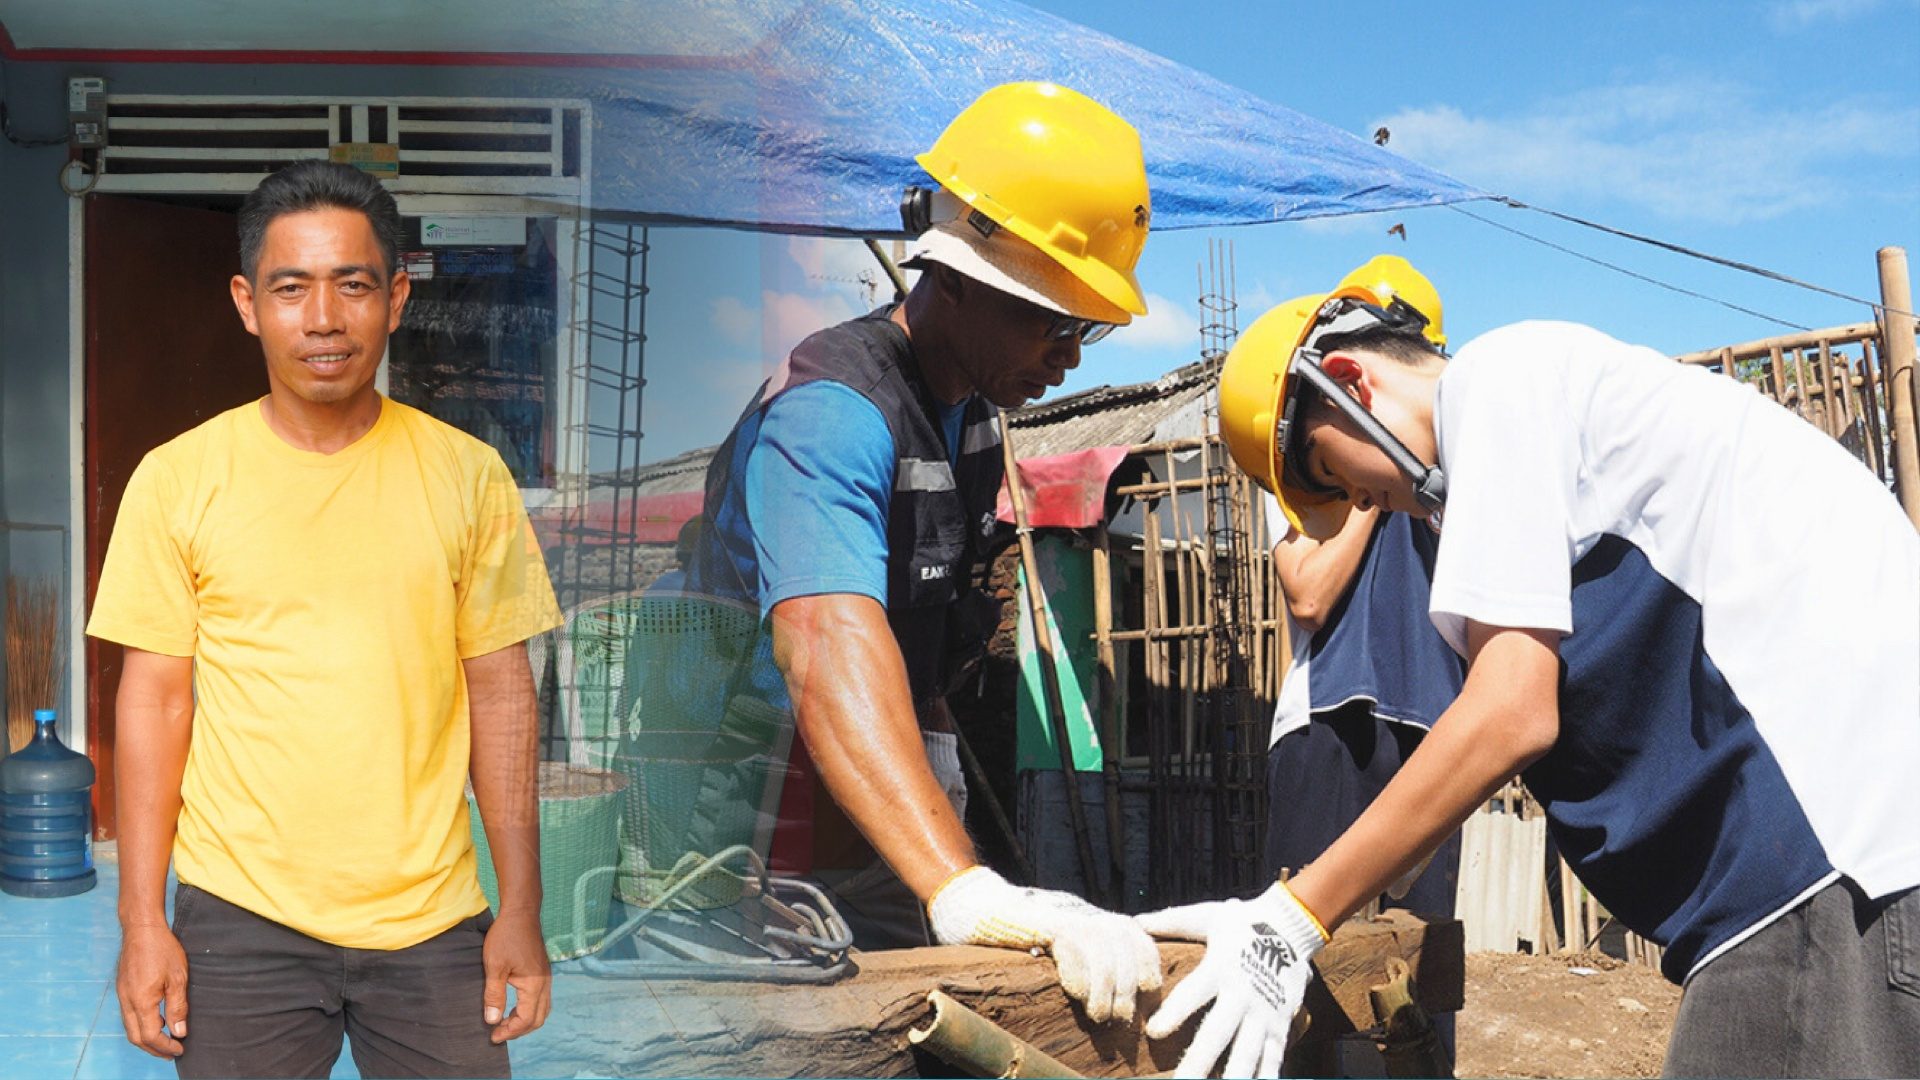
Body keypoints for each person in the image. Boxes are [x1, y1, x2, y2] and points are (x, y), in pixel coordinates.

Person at [1143, 279, 1920, 1078]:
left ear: (1349, 381)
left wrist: (1289, 919)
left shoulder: (1498, 384)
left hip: (1831, 870)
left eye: (1325, 468)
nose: (1357, 499)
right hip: (1845, 867)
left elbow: (1511, 713)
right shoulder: (1566, 402)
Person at [683, 81, 1163, 1022]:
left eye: (1085, 327)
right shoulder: (831, 412)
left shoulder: (974, 422)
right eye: (1050, 319)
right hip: (740, 824)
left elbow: (924, 641)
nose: (1069, 358)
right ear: (959, 272)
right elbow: (825, 642)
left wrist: (945, 818)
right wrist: (963, 887)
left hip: (867, 799)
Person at [88, 160, 563, 1079]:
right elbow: (154, 706)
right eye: (290, 287)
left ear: (396, 296)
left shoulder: (468, 477)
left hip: (430, 916)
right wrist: (142, 921)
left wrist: (522, 907)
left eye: (351, 284)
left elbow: (502, 699)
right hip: (241, 917)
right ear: (246, 302)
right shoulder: (178, 479)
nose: (322, 318)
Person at [1260, 257, 1465, 927]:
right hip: (1333, 717)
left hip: (1437, 727)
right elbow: (1308, 593)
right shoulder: (1300, 461)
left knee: (1423, 966)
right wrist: (1377, 475)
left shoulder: (1464, 462)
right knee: (1312, 965)